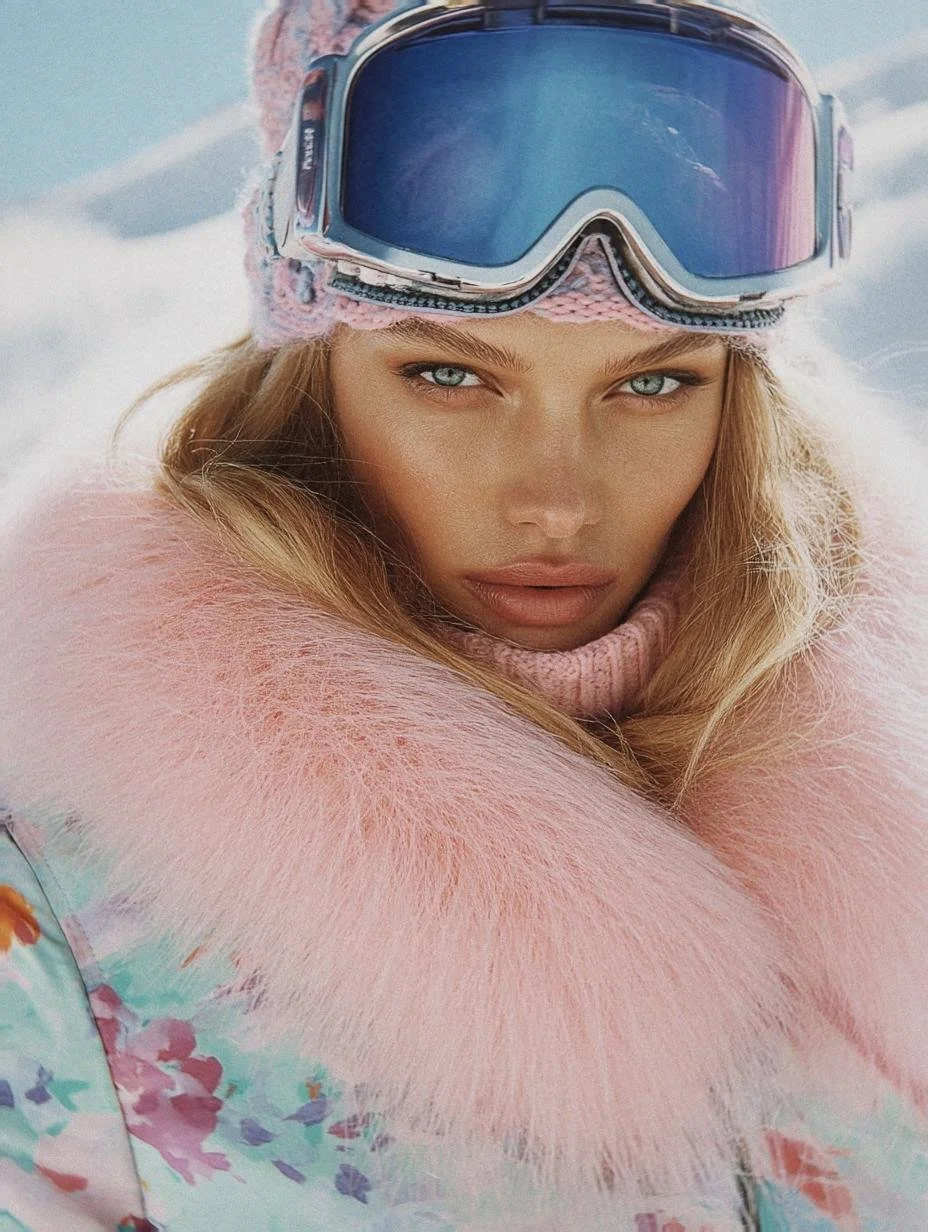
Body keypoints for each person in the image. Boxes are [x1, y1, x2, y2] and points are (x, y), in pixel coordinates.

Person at [0, 0, 925, 1228]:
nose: (556, 498)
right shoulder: (59, 921)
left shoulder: (896, 796)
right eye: (449, 374)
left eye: (651, 383)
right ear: (314, 382)